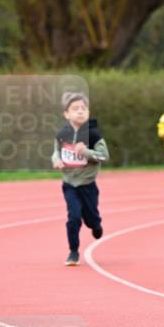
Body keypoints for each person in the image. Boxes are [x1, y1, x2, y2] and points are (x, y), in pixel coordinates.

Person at [51, 91, 108, 267]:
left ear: (88, 113)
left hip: (88, 185)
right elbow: (55, 152)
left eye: (84, 108)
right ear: (66, 114)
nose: (80, 112)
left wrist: (86, 152)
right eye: (76, 109)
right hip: (70, 184)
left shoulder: (93, 135)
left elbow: (104, 156)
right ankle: (73, 251)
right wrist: (56, 160)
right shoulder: (62, 134)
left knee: (91, 219)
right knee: (73, 217)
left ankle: (96, 225)